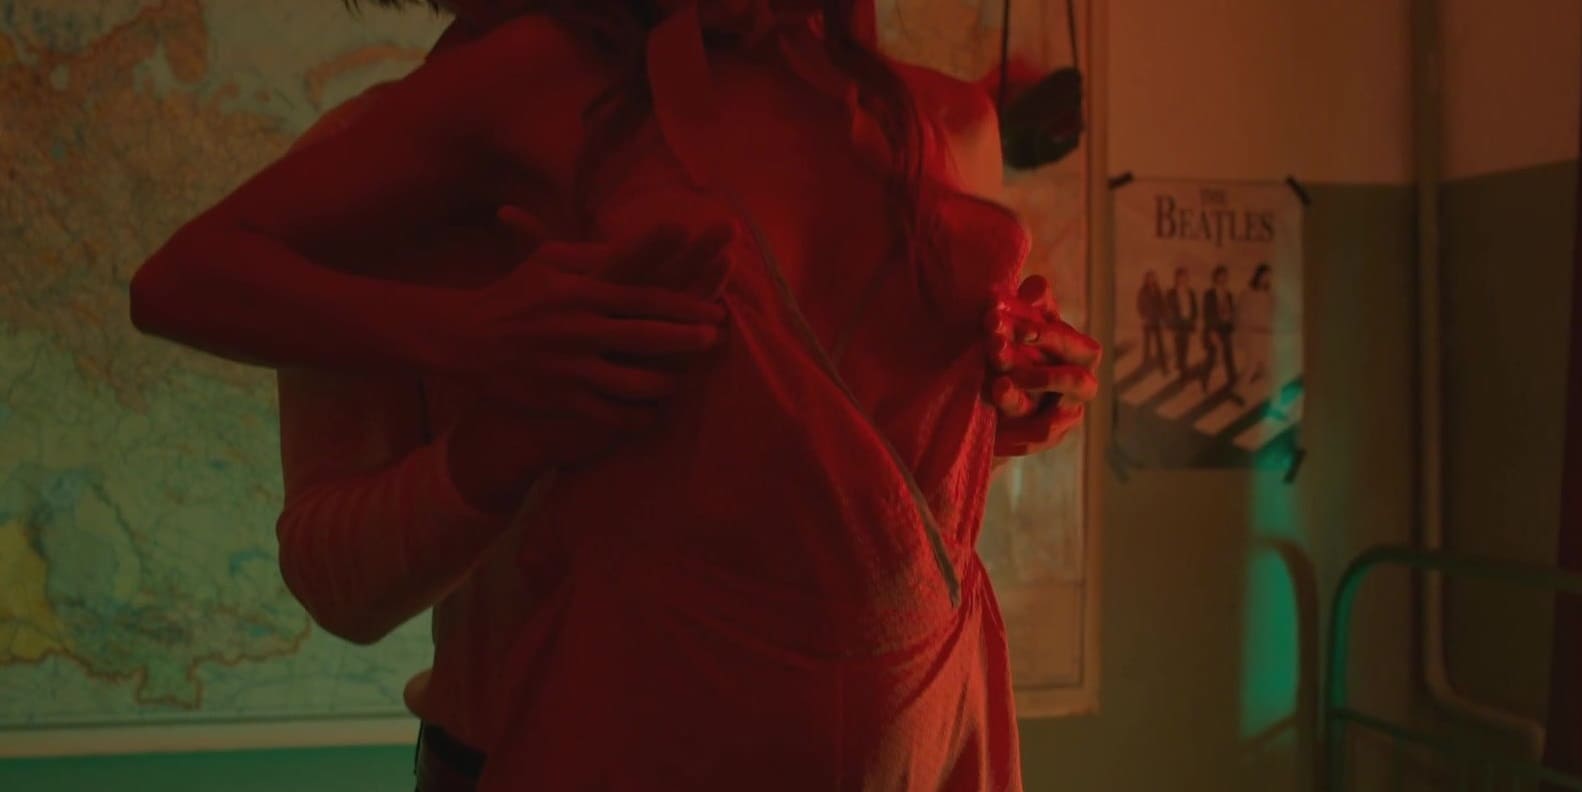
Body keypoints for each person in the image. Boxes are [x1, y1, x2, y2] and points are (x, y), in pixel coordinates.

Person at [128, 1, 1102, 788]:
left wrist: (997, 411)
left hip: (909, 735)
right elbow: (339, 579)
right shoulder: (471, 120)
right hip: (557, 743)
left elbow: (816, 489)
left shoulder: (927, 129)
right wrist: (485, 376)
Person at [1235, 263, 1273, 388]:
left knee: (1265, 366)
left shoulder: (1268, 295)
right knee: (1252, 365)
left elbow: (1270, 314)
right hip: (1253, 336)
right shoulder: (1247, 294)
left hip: (1265, 335)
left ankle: (1271, 391)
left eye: (1268, 277)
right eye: (1264, 276)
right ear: (1258, 276)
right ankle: (1238, 390)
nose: (1266, 279)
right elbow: (1242, 316)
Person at [1201, 264, 1237, 392]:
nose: (1223, 278)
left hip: (1226, 331)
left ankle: (1233, 384)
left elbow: (1232, 314)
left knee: (1229, 357)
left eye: (1225, 276)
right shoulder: (1209, 294)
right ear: (1215, 277)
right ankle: (1205, 380)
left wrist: (1231, 325)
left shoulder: (1229, 295)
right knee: (1211, 358)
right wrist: (1212, 332)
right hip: (1213, 330)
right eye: (1221, 276)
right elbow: (1207, 314)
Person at [1165, 266, 1197, 380]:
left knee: (1185, 348)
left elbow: (1194, 310)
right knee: (1177, 348)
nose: (1183, 279)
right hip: (1176, 325)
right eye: (1181, 277)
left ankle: (1182, 369)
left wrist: (1193, 323)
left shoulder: (1191, 292)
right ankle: (1180, 370)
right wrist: (1171, 327)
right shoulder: (1171, 293)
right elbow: (1168, 311)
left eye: (1185, 277)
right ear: (1176, 278)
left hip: (1187, 325)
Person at [1136, 269, 1166, 372]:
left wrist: (1162, 317)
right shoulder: (1142, 291)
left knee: (1160, 344)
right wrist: (1144, 317)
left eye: (1153, 278)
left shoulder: (1158, 290)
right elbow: (1139, 305)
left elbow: (1162, 304)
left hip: (1157, 320)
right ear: (1146, 279)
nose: (1151, 280)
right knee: (1147, 345)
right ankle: (1145, 366)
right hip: (1148, 321)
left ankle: (1163, 366)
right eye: (1149, 278)